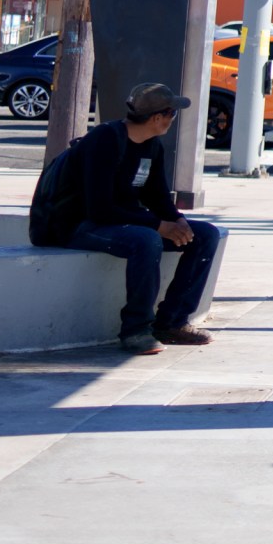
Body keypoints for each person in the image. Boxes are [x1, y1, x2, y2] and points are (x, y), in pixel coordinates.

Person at [65, 83, 226, 355]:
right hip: (80, 225)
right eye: (172, 114)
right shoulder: (104, 141)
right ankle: (136, 330)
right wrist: (159, 226)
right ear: (157, 118)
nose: (173, 120)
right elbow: (99, 209)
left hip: (120, 221)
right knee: (147, 239)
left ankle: (172, 323)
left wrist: (177, 219)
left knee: (205, 235)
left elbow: (157, 196)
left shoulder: (152, 145)